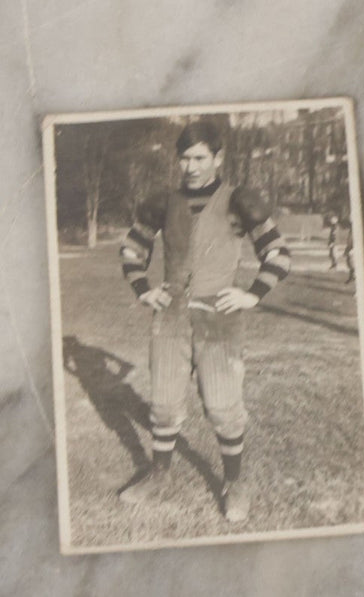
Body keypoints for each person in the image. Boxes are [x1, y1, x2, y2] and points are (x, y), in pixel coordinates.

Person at [116, 121, 291, 522]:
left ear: (218, 157)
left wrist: (251, 294)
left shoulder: (240, 200)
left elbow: (278, 253)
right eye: (184, 158)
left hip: (219, 317)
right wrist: (144, 289)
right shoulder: (164, 200)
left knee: (223, 406)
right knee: (162, 403)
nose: (190, 166)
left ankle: (234, 483)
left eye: (199, 157)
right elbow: (132, 248)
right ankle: (159, 473)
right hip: (171, 314)